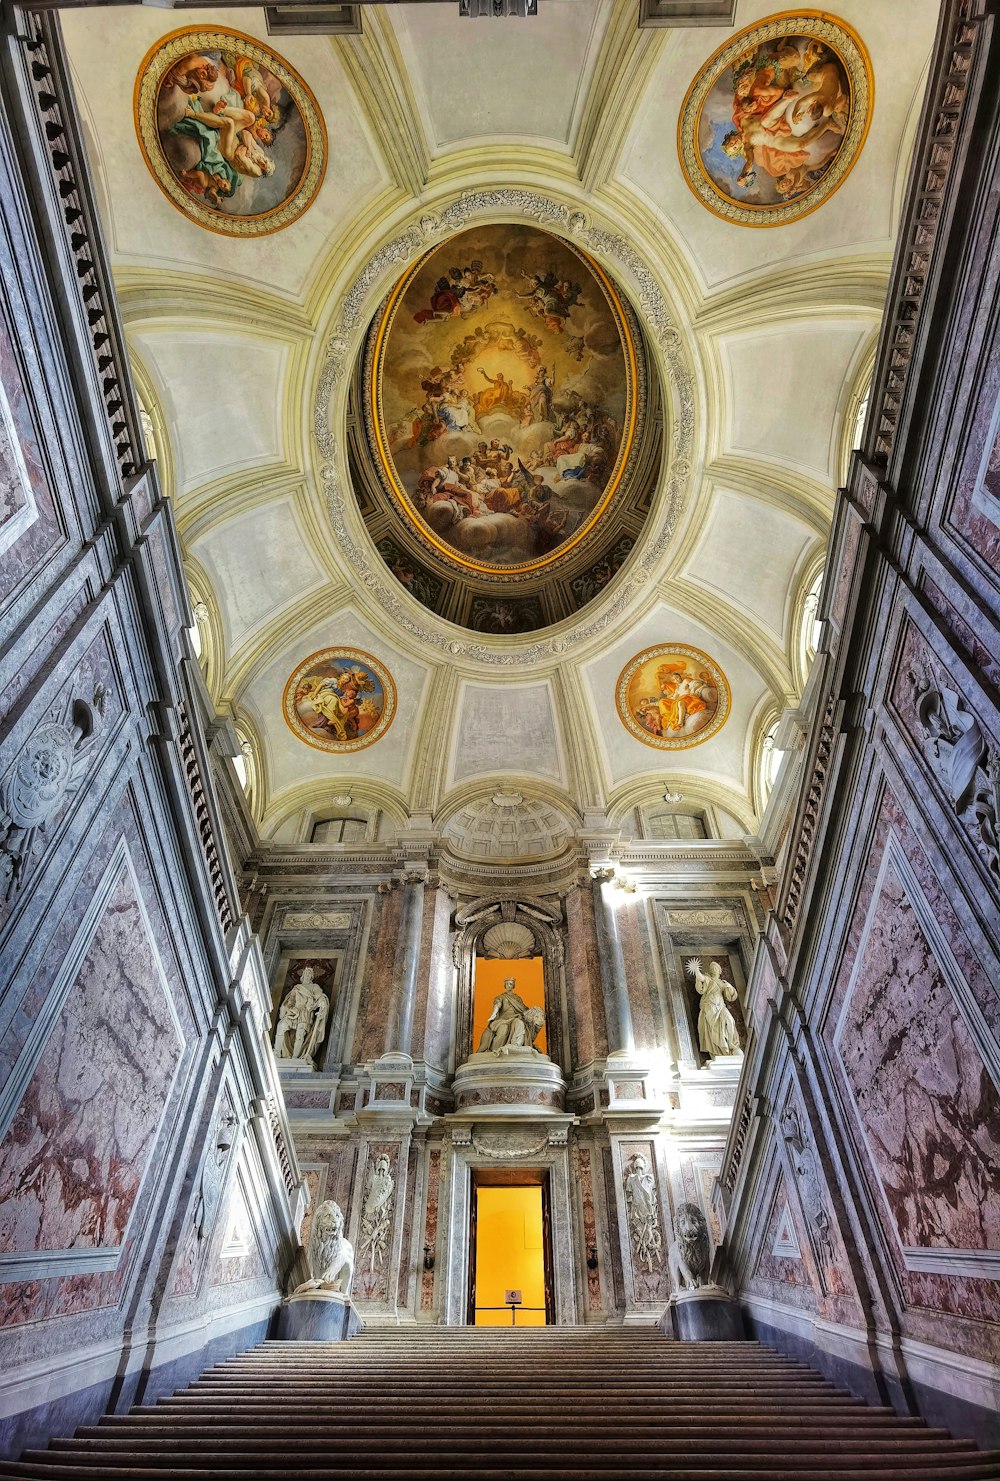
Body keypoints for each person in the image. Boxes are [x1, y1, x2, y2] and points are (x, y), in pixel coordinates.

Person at [274, 967, 329, 1064]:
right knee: (281, 1026)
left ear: (312, 976)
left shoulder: (314, 987)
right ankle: (277, 1053)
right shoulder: (297, 987)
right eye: (306, 972)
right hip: (294, 1012)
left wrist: (322, 1004)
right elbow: (290, 1000)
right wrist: (287, 1008)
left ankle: (295, 1058)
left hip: (305, 1013)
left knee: (300, 1034)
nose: (307, 974)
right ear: (303, 975)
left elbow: (320, 997)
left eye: (309, 973)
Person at [689, 959, 743, 1059]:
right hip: (710, 1006)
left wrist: (729, 986)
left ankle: (732, 1045)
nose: (713, 970)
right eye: (712, 968)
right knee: (714, 1027)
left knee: (730, 1020)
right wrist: (696, 970)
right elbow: (701, 979)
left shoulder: (723, 983)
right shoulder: (708, 979)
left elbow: (731, 996)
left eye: (715, 968)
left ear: (719, 971)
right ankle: (720, 1051)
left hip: (721, 1006)